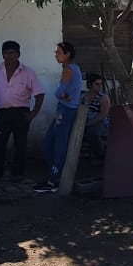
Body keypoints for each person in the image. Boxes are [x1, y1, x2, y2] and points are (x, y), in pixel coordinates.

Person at [0, 40, 44, 182]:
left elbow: (39, 93)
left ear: (18, 54)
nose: (9, 56)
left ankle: (17, 174)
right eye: (6, 53)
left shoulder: (28, 72)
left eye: (12, 53)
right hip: (2, 112)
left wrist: (33, 113)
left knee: (20, 144)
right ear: (2, 54)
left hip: (21, 113)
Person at [36, 41, 84, 193]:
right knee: (48, 143)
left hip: (66, 111)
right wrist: (64, 95)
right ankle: (54, 175)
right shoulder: (73, 69)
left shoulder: (69, 70)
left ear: (67, 54)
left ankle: (54, 180)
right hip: (64, 110)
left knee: (59, 145)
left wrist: (62, 95)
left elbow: (59, 93)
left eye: (58, 52)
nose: (56, 55)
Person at [81, 72, 112, 159]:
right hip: (83, 121)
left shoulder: (103, 97)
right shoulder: (83, 95)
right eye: (97, 84)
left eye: (101, 84)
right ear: (90, 85)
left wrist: (90, 123)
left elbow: (103, 114)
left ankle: (101, 154)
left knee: (92, 133)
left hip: (99, 122)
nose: (100, 86)